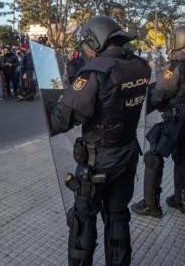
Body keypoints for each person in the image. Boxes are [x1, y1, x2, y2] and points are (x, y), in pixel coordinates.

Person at [49, 16, 151, 266]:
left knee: (83, 218)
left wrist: (60, 100)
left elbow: (63, 119)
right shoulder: (140, 66)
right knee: (117, 215)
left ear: (95, 42)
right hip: (127, 153)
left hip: (98, 160)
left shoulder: (96, 70)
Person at [131, 25, 185, 217]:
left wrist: (147, 99)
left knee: (153, 156)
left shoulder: (177, 65)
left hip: (175, 119)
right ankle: (183, 200)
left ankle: (151, 204)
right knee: (183, 156)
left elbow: (161, 92)